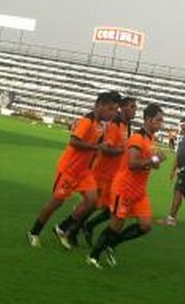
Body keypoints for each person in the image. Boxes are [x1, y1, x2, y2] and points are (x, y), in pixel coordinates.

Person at [28, 91, 120, 247]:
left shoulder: (100, 125)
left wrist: (105, 146)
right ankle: (34, 232)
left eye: (115, 110)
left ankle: (62, 227)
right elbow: (74, 142)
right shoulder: (87, 121)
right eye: (111, 109)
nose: (113, 113)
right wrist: (98, 146)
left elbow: (97, 145)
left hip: (84, 172)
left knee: (92, 201)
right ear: (100, 105)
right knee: (56, 202)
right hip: (69, 170)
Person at [86, 103, 165, 268]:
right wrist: (153, 160)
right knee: (116, 225)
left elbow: (151, 164)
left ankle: (112, 245)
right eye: (158, 120)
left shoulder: (150, 139)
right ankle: (93, 256)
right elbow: (133, 164)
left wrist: (157, 160)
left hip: (139, 190)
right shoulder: (137, 138)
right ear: (149, 120)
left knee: (145, 225)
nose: (161, 124)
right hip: (125, 187)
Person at [79, 96, 137, 244]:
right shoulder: (115, 124)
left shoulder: (127, 125)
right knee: (93, 205)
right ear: (123, 108)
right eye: (132, 107)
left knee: (109, 207)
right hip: (102, 172)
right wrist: (122, 151)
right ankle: (71, 228)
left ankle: (87, 226)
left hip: (115, 174)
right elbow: (107, 149)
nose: (135, 110)